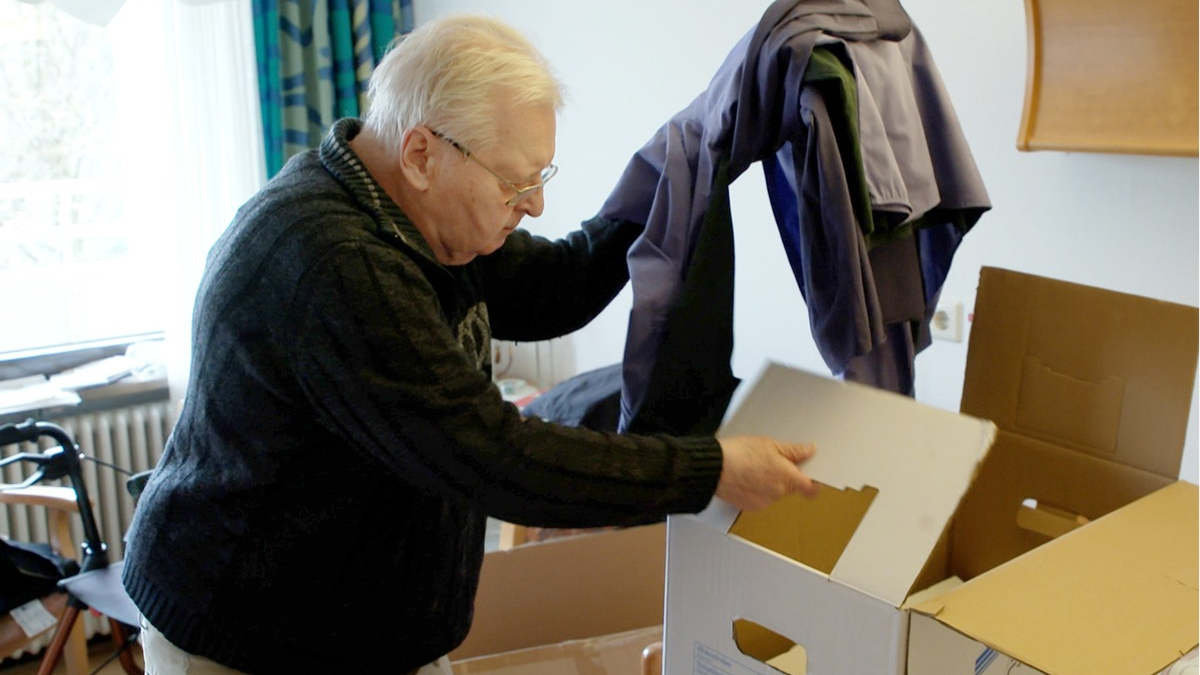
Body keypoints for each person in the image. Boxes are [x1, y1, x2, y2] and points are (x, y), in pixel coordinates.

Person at [121, 13, 819, 675]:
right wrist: (710, 469)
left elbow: (558, 285)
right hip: (251, 634)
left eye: (540, 177)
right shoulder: (334, 262)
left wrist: (680, 171)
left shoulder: (415, 212)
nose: (535, 205)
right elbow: (493, 457)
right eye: (517, 181)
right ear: (422, 153)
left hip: (360, 622)